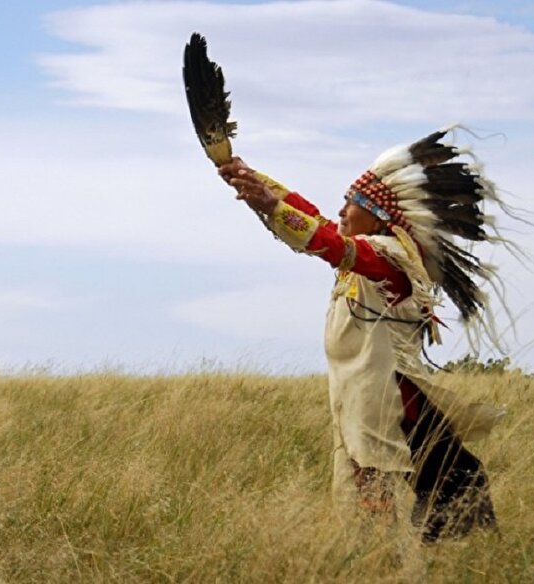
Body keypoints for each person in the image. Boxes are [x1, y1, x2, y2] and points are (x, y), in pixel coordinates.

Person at [218, 127, 510, 543]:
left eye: (350, 205)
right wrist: (250, 178)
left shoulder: (388, 258)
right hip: (365, 397)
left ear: (377, 218)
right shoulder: (367, 249)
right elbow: (316, 222)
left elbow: (326, 241)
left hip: (390, 401)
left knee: (383, 487)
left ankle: (386, 559)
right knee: (396, 487)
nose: (340, 212)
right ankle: (394, 557)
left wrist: (269, 203)